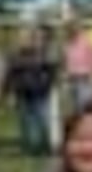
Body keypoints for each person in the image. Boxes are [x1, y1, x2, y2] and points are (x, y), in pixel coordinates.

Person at [5, 27, 60, 157]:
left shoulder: (47, 54)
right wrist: (10, 92)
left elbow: (52, 71)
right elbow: (11, 74)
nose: (34, 40)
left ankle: (45, 146)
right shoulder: (17, 55)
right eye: (32, 37)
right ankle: (31, 148)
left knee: (43, 120)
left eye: (38, 38)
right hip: (23, 92)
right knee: (26, 121)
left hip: (41, 91)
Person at [61, 23, 92, 116]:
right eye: (68, 29)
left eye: (73, 28)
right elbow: (64, 60)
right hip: (70, 78)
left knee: (85, 104)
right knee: (73, 107)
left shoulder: (87, 40)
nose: (71, 30)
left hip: (85, 77)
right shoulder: (65, 43)